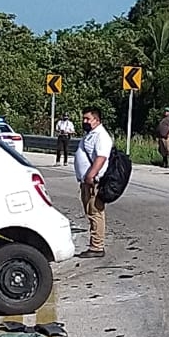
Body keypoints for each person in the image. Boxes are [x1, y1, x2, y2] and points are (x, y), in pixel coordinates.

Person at [74, 107, 112, 258]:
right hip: (87, 182)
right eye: (83, 119)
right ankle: (94, 244)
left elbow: (101, 157)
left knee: (95, 212)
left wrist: (90, 175)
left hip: (94, 182)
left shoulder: (101, 136)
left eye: (87, 119)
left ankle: (97, 246)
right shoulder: (91, 135)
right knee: (90, 212)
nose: (84, 122)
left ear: (96, 120)